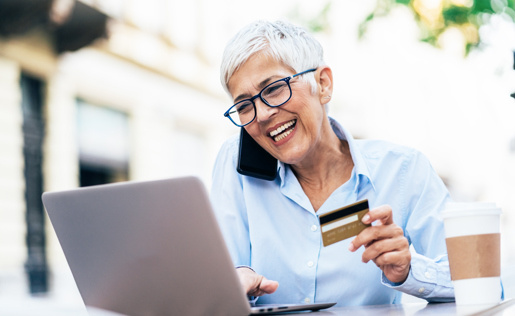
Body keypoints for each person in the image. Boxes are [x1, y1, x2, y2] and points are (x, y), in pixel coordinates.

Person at [210, 20, 454, 306]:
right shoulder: (234, 164)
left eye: (274, 88)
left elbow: (477, 283)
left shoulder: (402, 170)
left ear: (323, 84)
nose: (262, 114)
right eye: (244, 106)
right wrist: (232, 284)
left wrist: (408, 271)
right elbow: (214, 289)